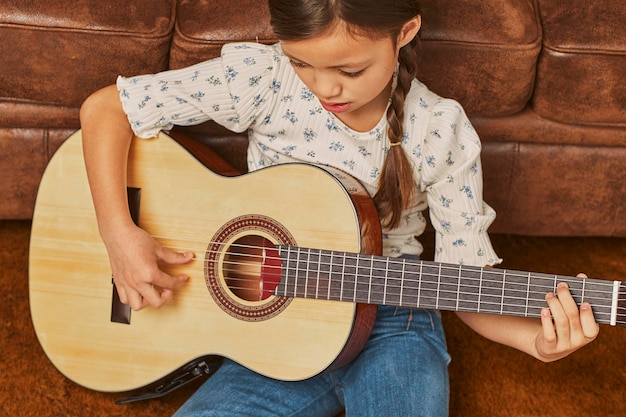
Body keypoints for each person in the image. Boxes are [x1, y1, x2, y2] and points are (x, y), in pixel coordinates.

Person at [79, 0, 600, 415]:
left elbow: (464, 283)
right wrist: (119, 234)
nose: (325, 87)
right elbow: (106, 108)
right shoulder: (266, 80)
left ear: (405, 31)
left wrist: (539, 342)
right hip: (269, 327)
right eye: (302, 62)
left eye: (350, 69)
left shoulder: (439, 130)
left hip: (394, 319)